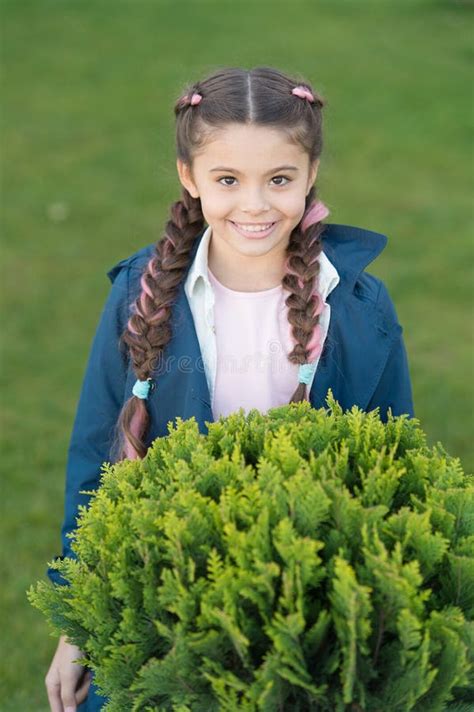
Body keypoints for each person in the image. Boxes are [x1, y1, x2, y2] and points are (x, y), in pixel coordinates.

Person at [44, 66, 414, 711]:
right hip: (162, 601)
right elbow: (93, 462)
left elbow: (393, 465)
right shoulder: (140, 294)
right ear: (189, 177)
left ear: (311, 171)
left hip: (310, 613)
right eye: (227, 180)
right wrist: (78, 621)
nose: (255, 205)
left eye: (279, 180)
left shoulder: (356, 306)